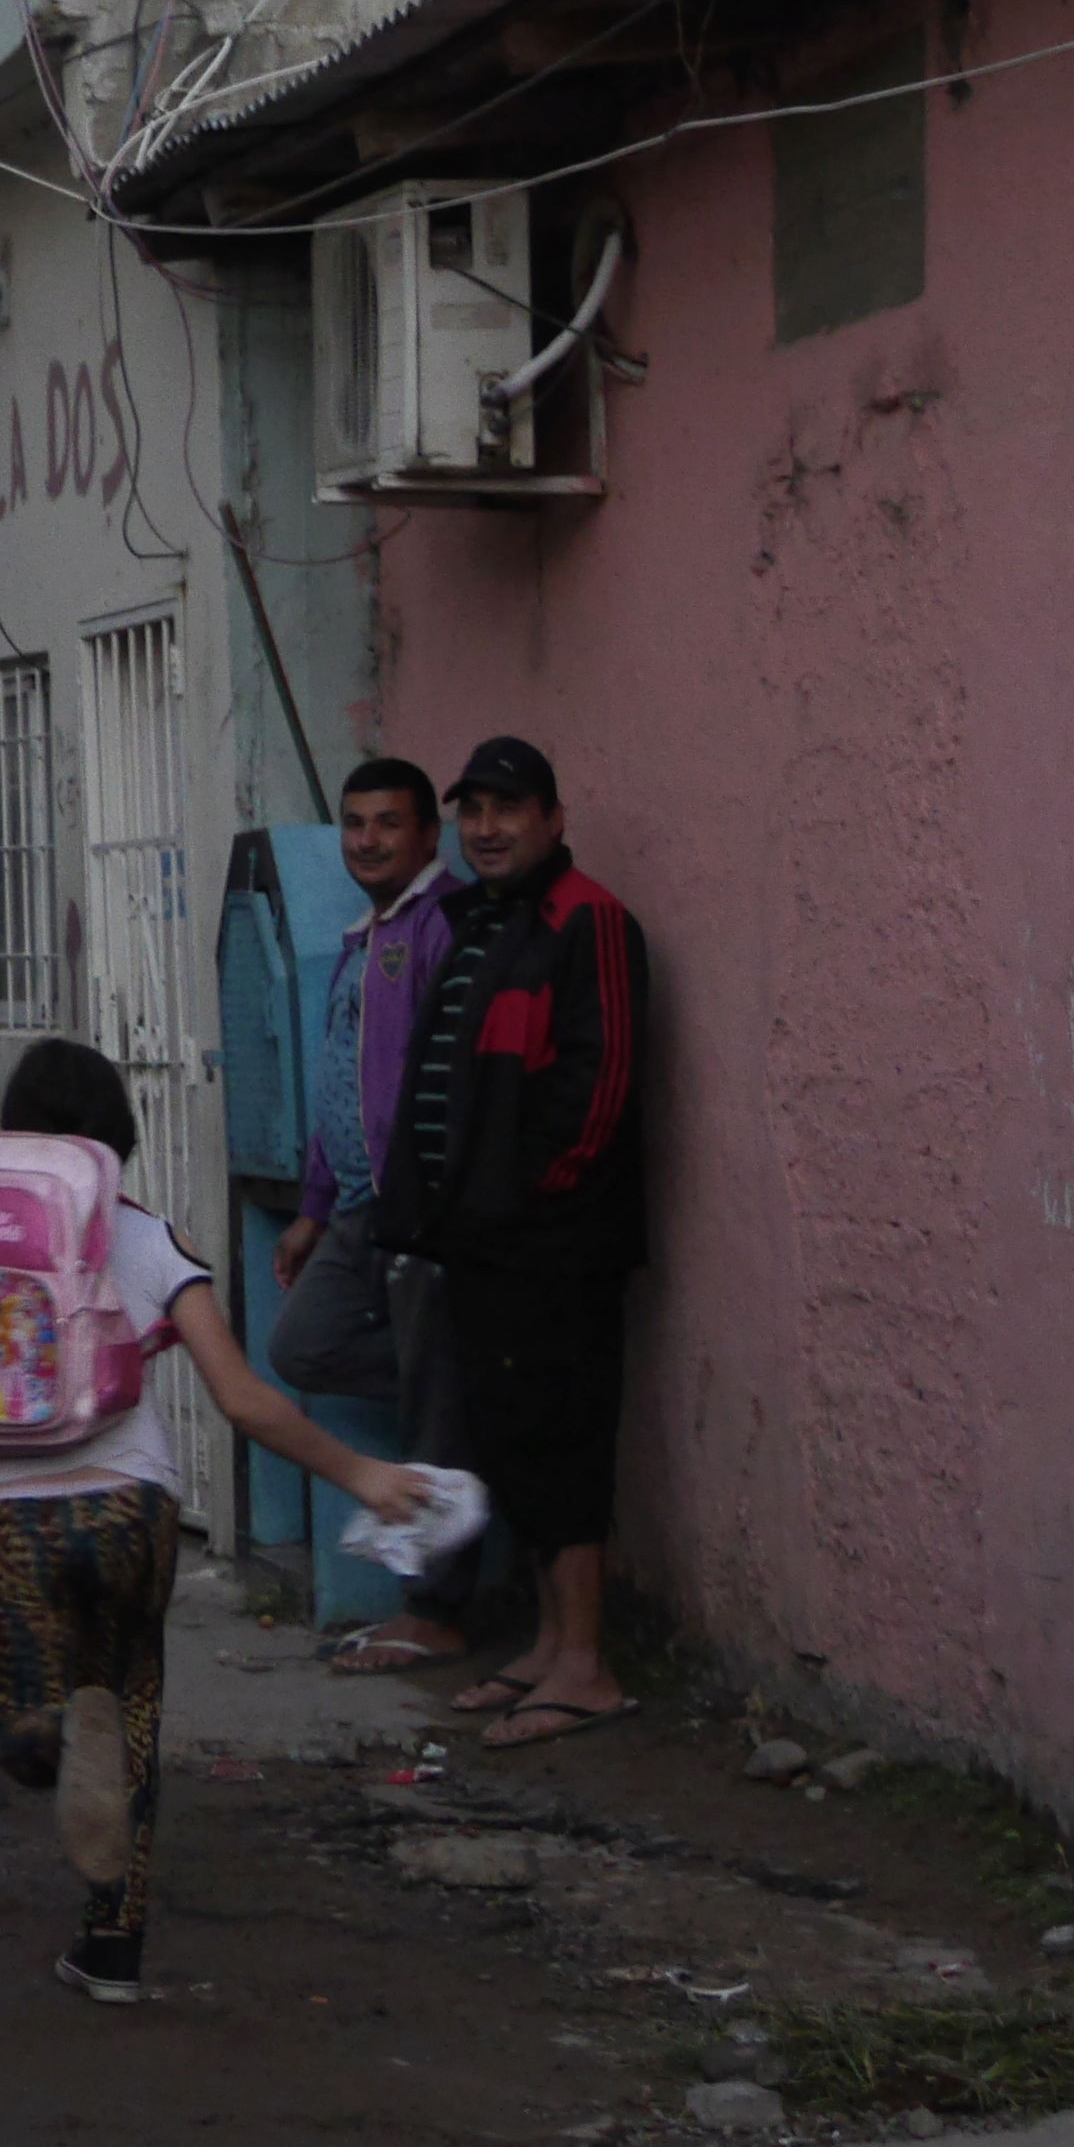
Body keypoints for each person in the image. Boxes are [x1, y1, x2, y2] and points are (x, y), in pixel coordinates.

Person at [0, 1039, 436, 2005]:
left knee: (28, 1732)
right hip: (135, 1503)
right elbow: (243, 1399)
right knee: (129, 1711)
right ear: (116, 1135)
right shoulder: (147, 1237)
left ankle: (53, 1739)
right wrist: (362, 1474)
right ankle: (113, 1949)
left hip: (11, 1517)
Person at [372, 735, 648, 1752]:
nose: (488, 828)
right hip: (484, 1244)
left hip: (556, 1247)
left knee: (566, 1443)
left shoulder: (592, 922)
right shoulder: (476, 925)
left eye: (509, 809)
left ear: (553, 819)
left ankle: (586, 1665)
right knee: (516, 1443)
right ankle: (544, 1647)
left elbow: (601, 1085)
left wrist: (538, 1203)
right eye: (474, 810)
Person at [265, 755, 483, 1676]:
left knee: (435, 1400)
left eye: (388, 824)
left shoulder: (439, 929)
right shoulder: (365, 938)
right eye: (355, 825)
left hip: (417, 1209)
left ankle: (433, 1610)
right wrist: (315, 1208)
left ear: (428, 837)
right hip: (355, 1210)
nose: (367, 841)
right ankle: (473, 1403)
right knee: (300, 1346)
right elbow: (341, 1082)